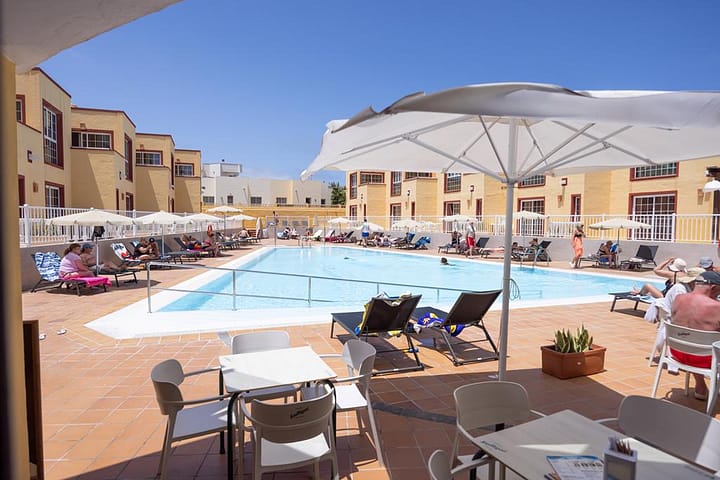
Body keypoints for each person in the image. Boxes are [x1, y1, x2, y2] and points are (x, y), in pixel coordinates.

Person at [670, 270, 720, 400]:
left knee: (693, 340)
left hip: (678, 352)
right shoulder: (717, 307)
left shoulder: (678, 299)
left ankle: (700, 385)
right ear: (713, 287)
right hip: (705, 359)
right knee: (706, 346)